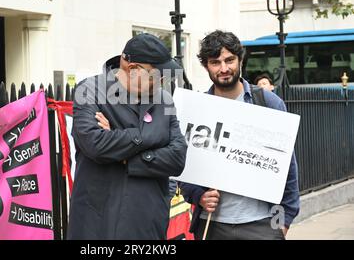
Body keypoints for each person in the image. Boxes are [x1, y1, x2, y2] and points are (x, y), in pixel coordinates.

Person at [179, 30, 300, 240]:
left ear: (240, 60)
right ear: (206, 66)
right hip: (213, 224)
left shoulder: (268, 103)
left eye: (229, 60)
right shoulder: (197, 108)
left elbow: (287, 167)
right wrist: (198, 196)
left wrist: (283, 223)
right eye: (215, 62)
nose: (224, 68)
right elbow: (182, 164)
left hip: (263, 223)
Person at [67, 33, 188, 240]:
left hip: (148, 223)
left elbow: (177, 157)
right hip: (98, 225)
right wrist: (148, 138)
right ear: (133, 70)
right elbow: (95, 145)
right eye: (159, 75)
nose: (163, 81)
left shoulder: (164, 99)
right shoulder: (89, 90)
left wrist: (123, 152)